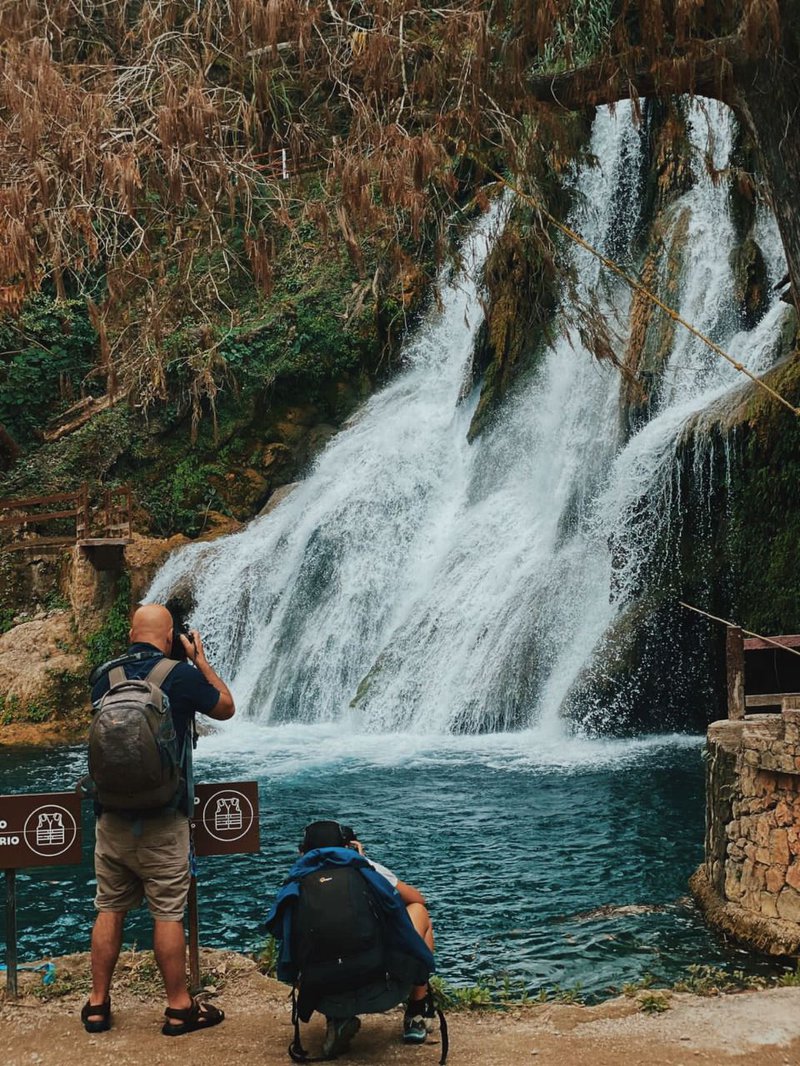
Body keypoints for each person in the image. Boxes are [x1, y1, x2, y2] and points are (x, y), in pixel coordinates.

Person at [81, 603, 235, 1036]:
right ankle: (179, 1007)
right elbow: (226, 708)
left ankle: (96, 1005)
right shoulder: (181, 676)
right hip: (165, 820)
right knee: (167, 914)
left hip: (110, 819)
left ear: (131, 632)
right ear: (169, 638)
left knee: (109, 909)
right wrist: (201, 661)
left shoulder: (103, 679)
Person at [266, 820, 442, 1060]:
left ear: (302, 852)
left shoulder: (295, 886)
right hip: (385, 992)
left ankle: (338, 1019)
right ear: (349, 846)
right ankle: (416, 1015)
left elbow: (289, 957)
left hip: (324, 998)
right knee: (419, 912)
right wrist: (364, 862)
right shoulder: (367, 871)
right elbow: (417, 898)